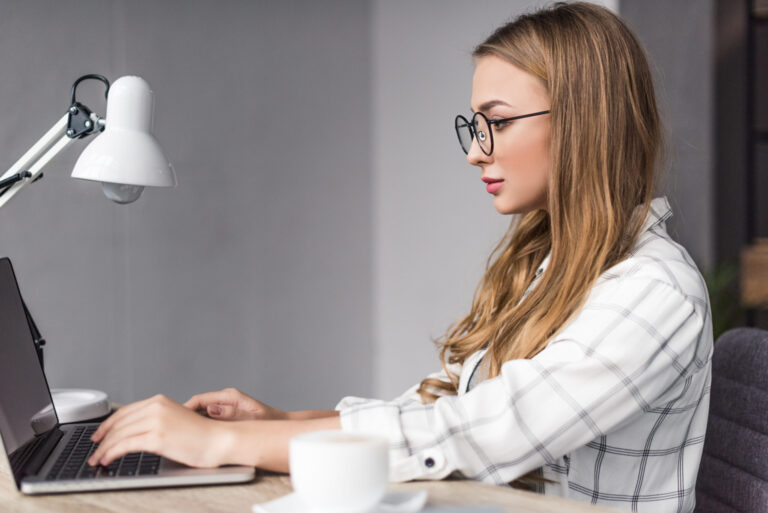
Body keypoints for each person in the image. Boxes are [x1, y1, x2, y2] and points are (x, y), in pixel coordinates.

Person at [87, 3, 712, 511]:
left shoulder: (656, 291)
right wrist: (287, 420)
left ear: (583, 122)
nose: (476, 152)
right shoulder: (549, 265)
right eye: (474, 125)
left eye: (496, 121)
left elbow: (478, 433)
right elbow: (444, 410)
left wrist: (225, 441)